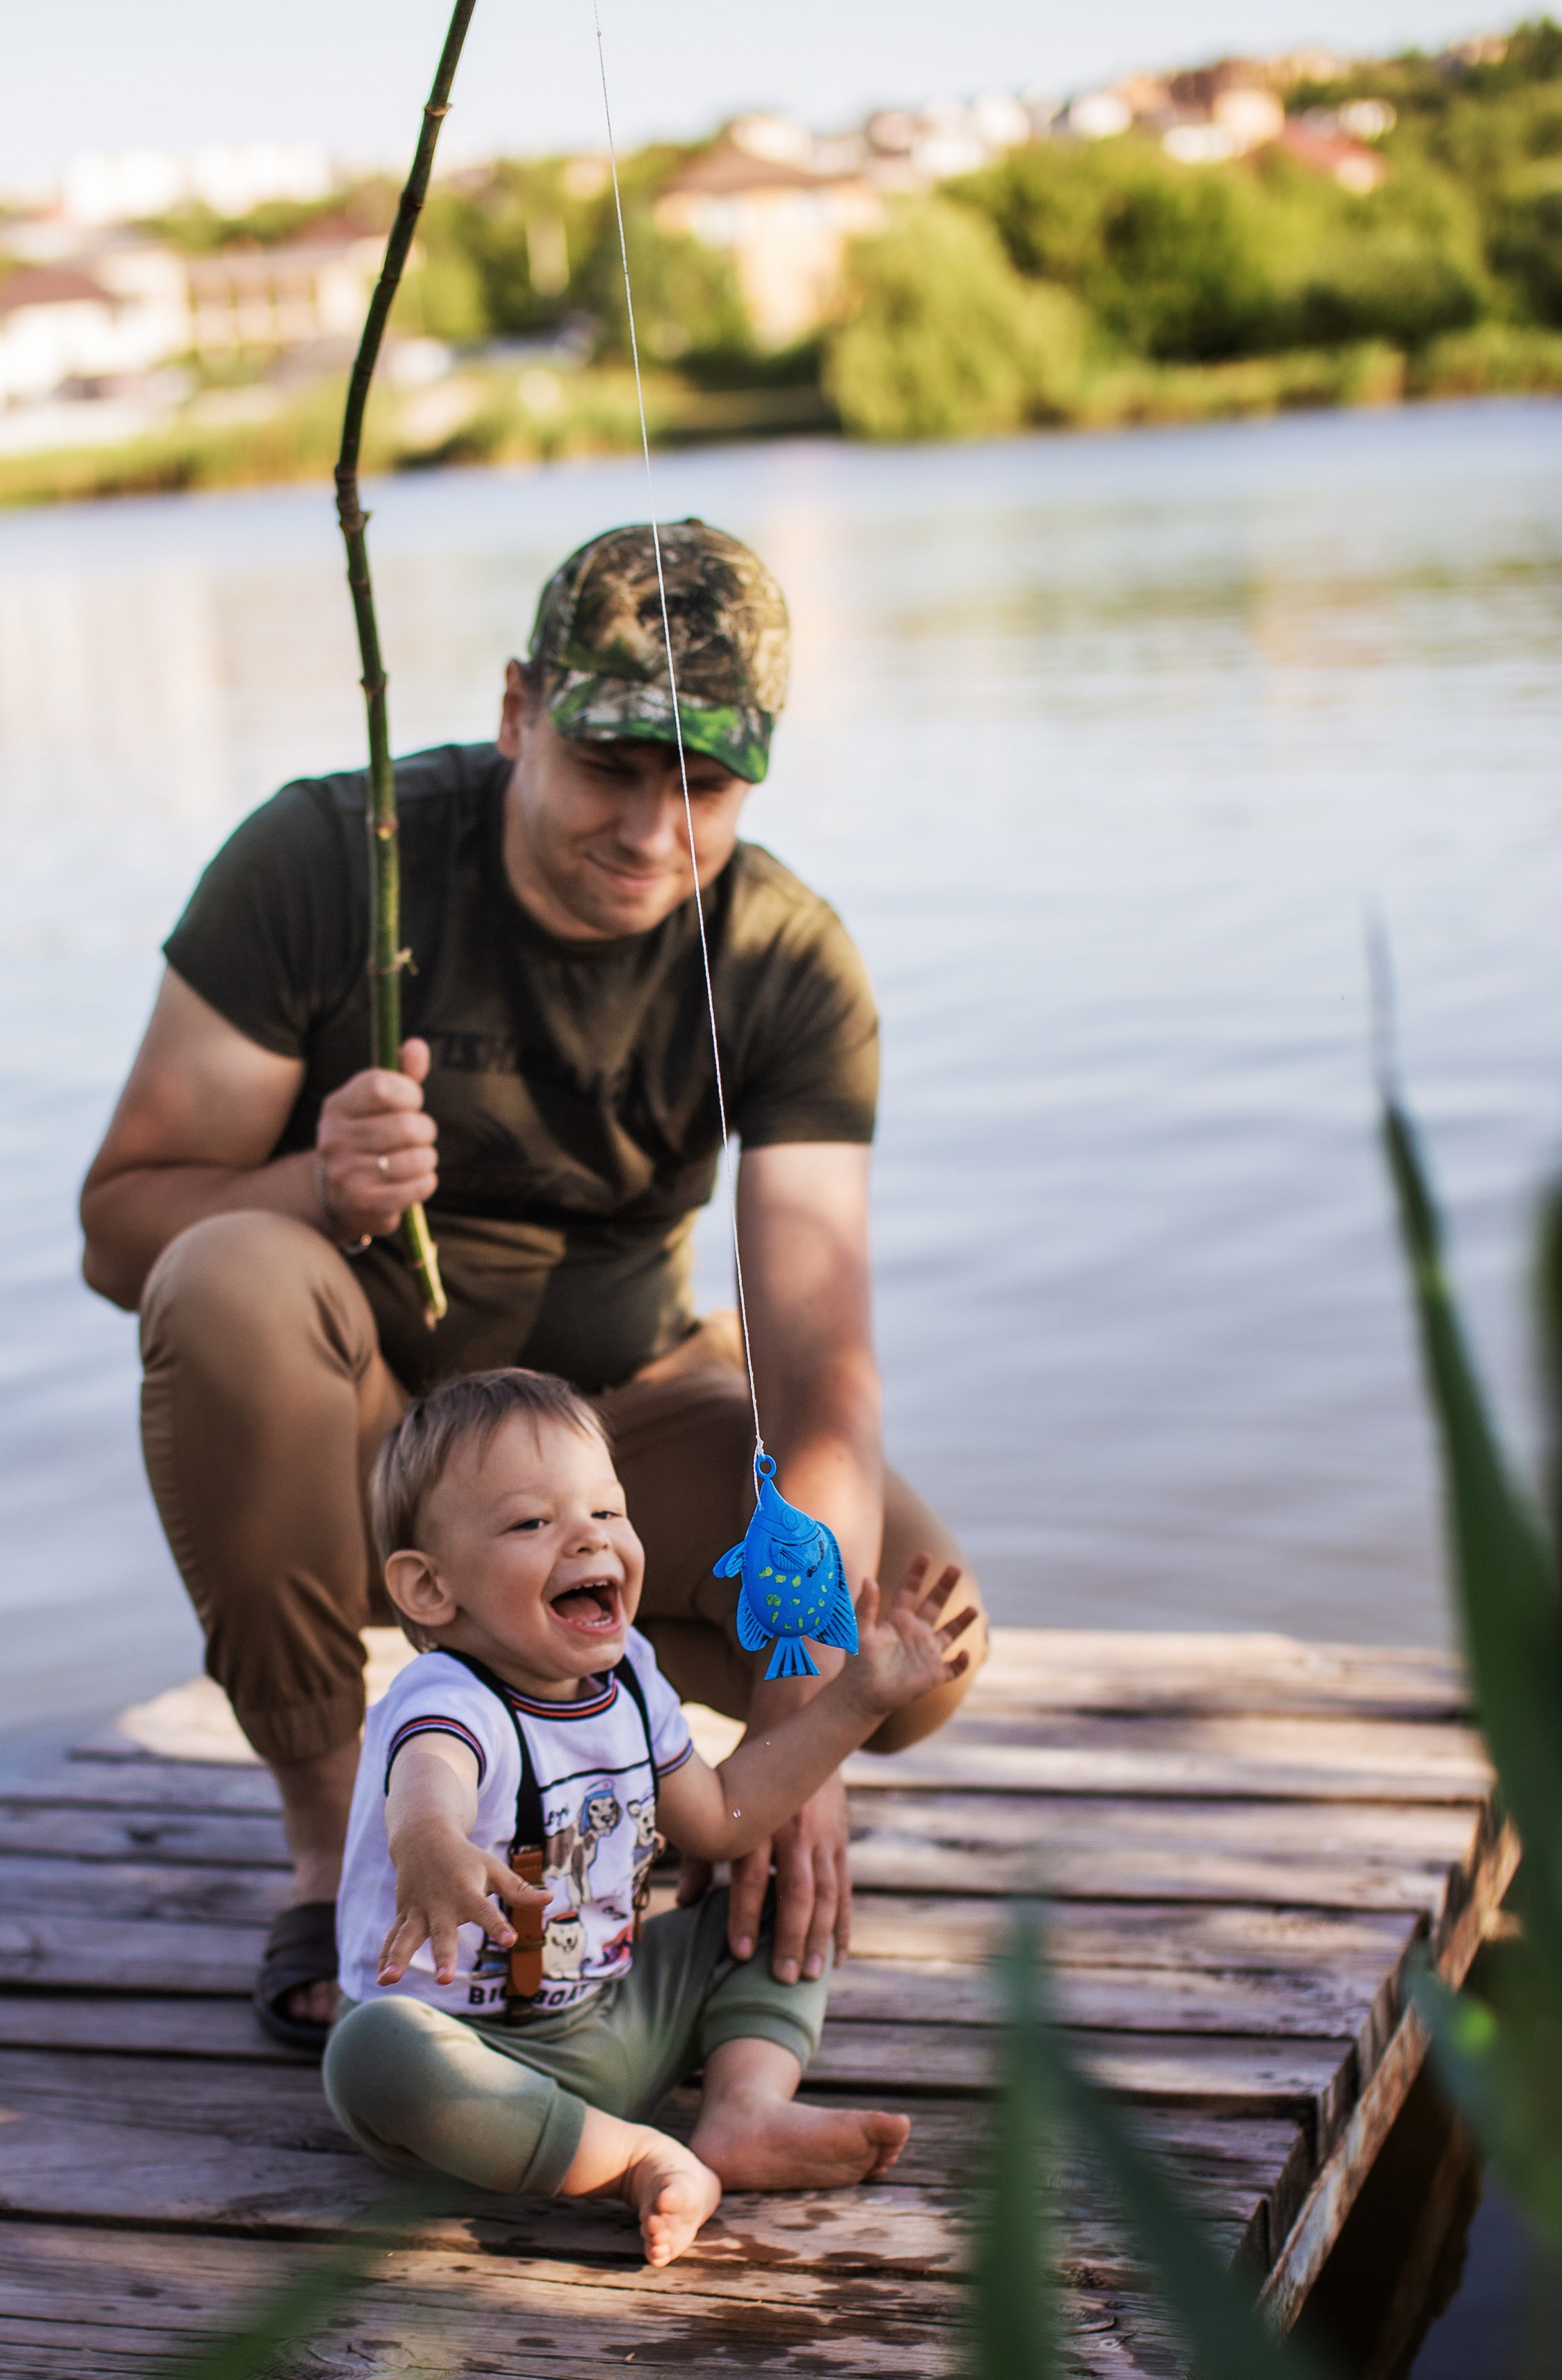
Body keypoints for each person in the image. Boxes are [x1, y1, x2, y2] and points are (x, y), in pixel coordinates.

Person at [78, 518, 989, 2051]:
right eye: (609, 768)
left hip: (616, 1423)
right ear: (517, 711)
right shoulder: (319, 859)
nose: (649, 830)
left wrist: (799, 1723)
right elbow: (120, 1227)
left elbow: (818, 1366)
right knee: (226, 1275)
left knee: (917, 1652)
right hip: (374, 1457)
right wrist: (312, 1183)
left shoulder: (784, 960)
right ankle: (330, 1837)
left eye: (700, 785)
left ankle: (621, 1802)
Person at [326, 1367, 976, 2266]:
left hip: (615, 2014)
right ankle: (633, 2157)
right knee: (370, 2053)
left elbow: (719, 1820)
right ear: (431, 1589)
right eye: (532, 1522)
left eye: (608, 1512)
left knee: (785, 1892)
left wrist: (855, 1702)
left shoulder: (630, 1676)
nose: (588, 1539)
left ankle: (743, 2110)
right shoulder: (447, 1698)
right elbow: (428, 1776)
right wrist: (429, 1844)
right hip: (478, 2062)